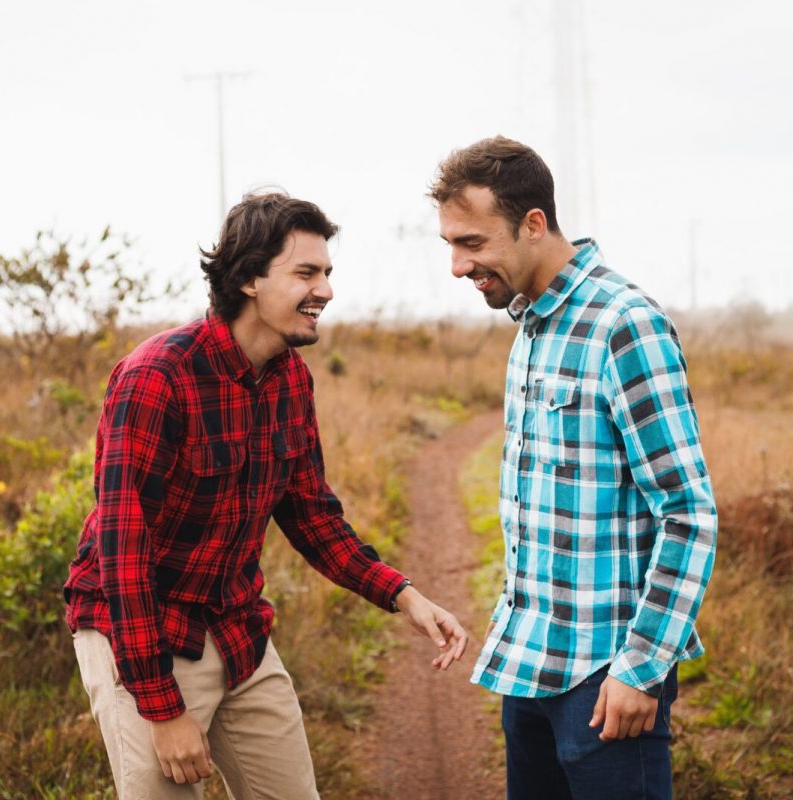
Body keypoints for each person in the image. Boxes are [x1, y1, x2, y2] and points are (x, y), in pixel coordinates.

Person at [64, 191, 467, 799]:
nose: (326, 290)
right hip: (141, 634)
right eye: (306, 273)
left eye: (327, 273)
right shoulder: (157, 378)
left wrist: (404, 596)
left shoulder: (290, 379)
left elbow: (312, 517)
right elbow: (124, 554)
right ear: (250, 277)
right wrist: (161, 706)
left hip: (237, 629)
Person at [430, 136, 716, 800]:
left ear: (534, 223)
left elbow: (687, 512)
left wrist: (641, 669)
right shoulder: (531, 327)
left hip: (605, 678)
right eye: (449, 244)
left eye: (472, 242)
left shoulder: (624, 324)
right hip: (528, 665)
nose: (456, 264)